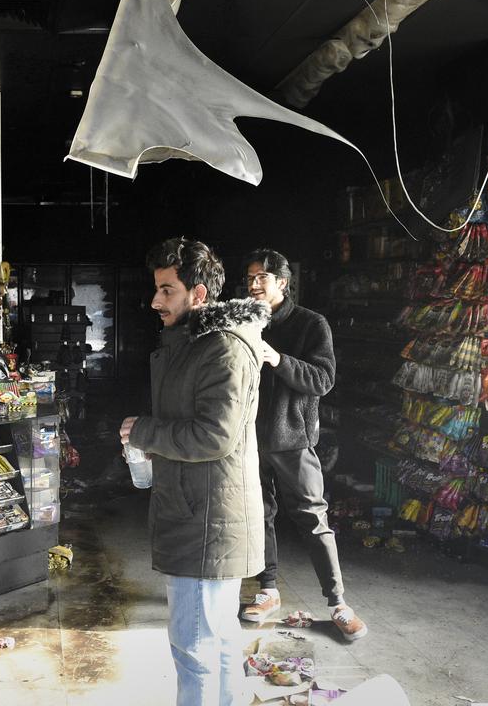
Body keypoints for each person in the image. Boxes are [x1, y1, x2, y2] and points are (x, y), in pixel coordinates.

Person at [119, 237, 269, 706]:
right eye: (157, 289)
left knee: (195, 647)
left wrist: (145, 431)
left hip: (206, 519)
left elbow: (214, 437)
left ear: (198, 294)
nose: (155, 300)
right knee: (216, 640)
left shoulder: (221, 348)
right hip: (198, 509)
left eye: (167, 290)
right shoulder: (195, 344)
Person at [237, 249, 367, 641]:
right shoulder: (245, 321)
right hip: (248, 438)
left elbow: (322, 379)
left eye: (262, 277)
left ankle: (339, 603)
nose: (254, 284)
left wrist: (276, 358)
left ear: (282, 281)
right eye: (249, 278)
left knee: (313, 518)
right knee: (259, 515)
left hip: (292, 438)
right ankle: (268, 590)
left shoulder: (311, 324)